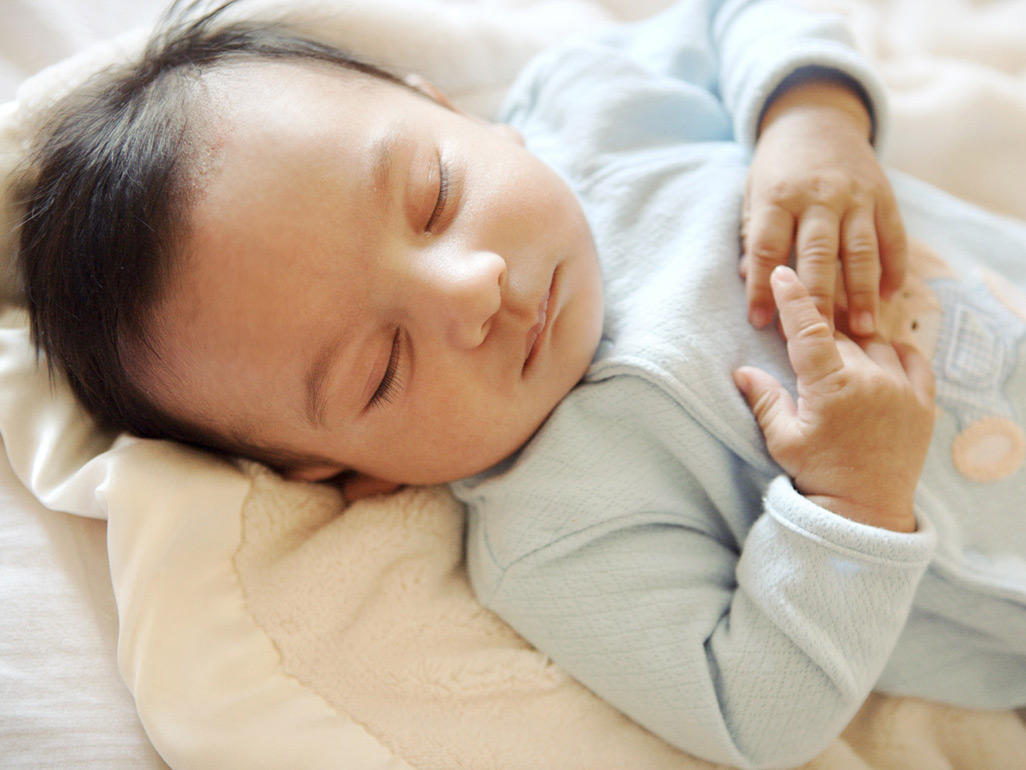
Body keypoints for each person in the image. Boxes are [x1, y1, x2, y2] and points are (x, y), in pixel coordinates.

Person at [14, 0, 1026, 767]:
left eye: (433, 195)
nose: (473, 290)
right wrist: (853, 503)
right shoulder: (558, 537)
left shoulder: (596, 107)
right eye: (382, 367)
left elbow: (737, 13)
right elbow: (749, 705)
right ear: (343, 472)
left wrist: (811, 118)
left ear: (446, 110)